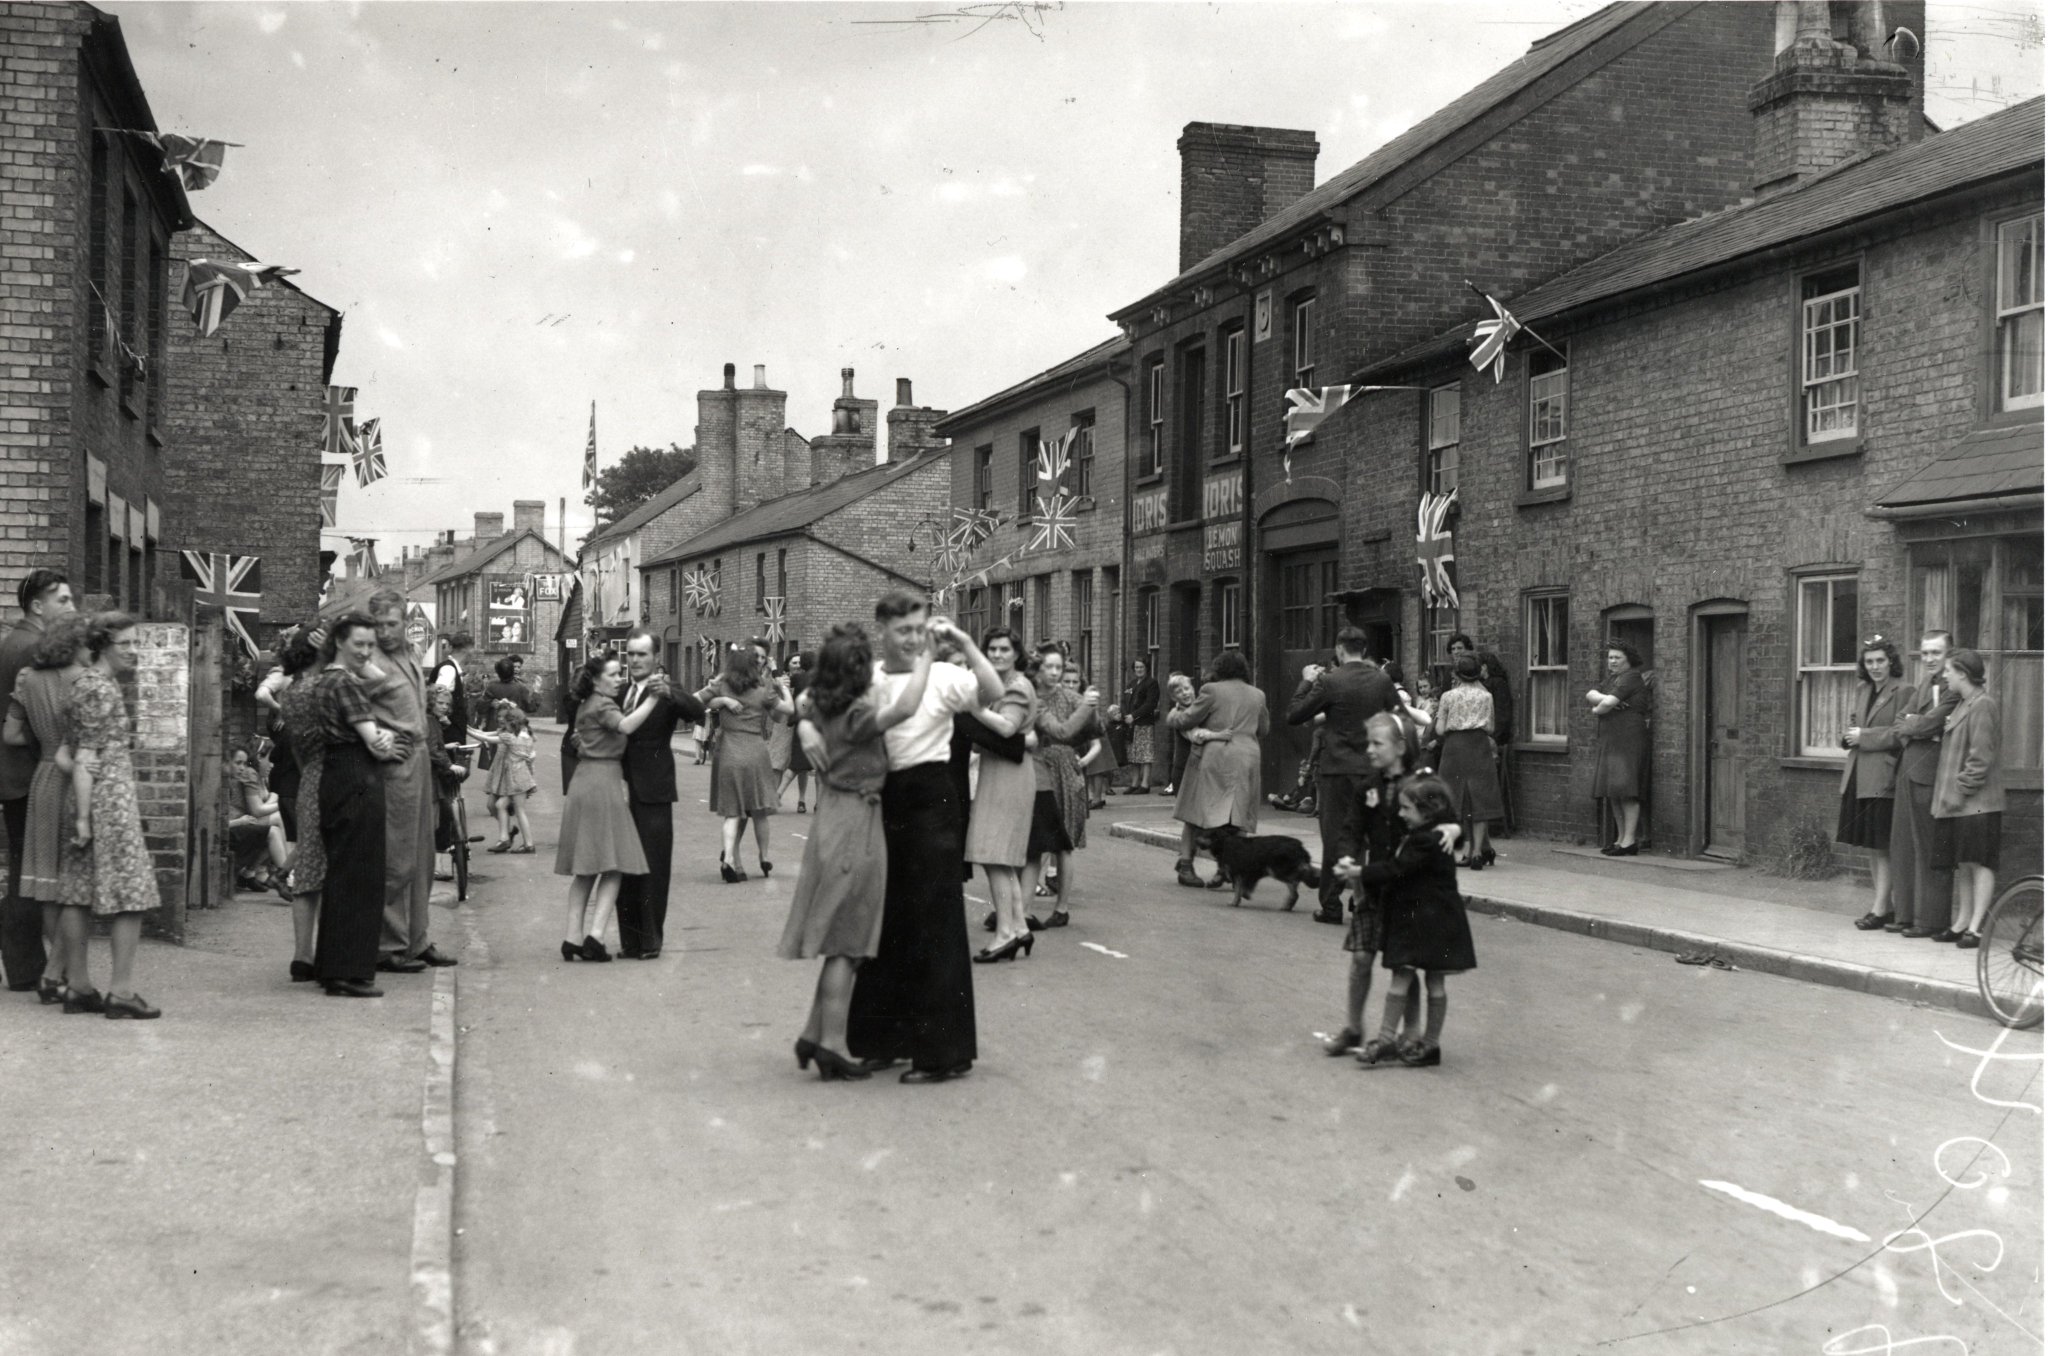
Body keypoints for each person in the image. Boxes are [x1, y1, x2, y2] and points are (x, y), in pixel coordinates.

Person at [845, 593, 1003, 1085]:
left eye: (919, 629)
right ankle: (883, 1041)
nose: (914, 639)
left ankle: (944, 1052)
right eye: (903, 631)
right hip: (882, 796)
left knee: (934, 921)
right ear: (883, 631)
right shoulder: (868, 677)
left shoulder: (944, 675)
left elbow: (993, 690)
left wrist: (964, 642)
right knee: (885, 919)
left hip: (932, 798)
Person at [781, 625, 933, 1081]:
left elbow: (800, 708)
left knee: (839, 938)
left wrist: (805, 723)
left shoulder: (823, 706)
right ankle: (831, 1045)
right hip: (855, 824)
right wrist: (927, 657)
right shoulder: (858, 712)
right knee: (846, 945)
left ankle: (813, 1033)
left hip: (835, 817)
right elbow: (906, 706)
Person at [53, 612, 160, 1018]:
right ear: (103, 646)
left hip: (87, 799)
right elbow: (83, 757)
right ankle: (120, 992)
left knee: (78, 892)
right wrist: (87, 815)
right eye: (125, 644)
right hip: (108, 804)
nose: (133, 651)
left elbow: (67, 754)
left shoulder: (82, 684)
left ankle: (78, 986)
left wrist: (81, 805)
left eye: (136, 643)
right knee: (130, 893)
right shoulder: (101, 689)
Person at [1341, 776, 1475, 1068]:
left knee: (1402, 974)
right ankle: (1429, 1045)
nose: (1401, 814)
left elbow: (1396, 869)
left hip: (1419, 919)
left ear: (1427, 812)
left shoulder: (1425, 840)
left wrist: (1358, 873)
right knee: (1435, 980)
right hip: (1441, 918)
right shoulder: (1432, 833)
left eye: (1406, 809)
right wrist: (1454, 826)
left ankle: (1387, 1039)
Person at [308, 613, 402, 997]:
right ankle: (346, 971)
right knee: (360, 874)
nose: (366, 652)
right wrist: (383, 735)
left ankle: (333, 965)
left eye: (370, 645)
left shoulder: (326, 679)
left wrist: (365, 660)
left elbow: (381, 679)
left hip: (337, 774)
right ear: (338, 643)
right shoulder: (345, 683)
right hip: (356, 775)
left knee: (343, 870)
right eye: (358, 644)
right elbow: (374, 739)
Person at [1323, 713, 1426, 1058]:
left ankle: (1411, 1034)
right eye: (1368, 742)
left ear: (1399, 747)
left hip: (1408, 889)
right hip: (1372, 886)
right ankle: (1353, 1028)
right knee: (1361, 958)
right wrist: (1347, 858)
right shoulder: (1367, 786)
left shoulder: (1420, 785)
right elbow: (1352, 829)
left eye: (1376, 743)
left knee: (1404, 963)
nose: (1368, 750)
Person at [364, 590, 456, 973]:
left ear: (405, 624)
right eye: (379, 624)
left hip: (420, 762)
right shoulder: (369, 660)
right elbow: (355, 708)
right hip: (395, 764)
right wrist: (379, 744)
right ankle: (387, 944)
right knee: (397, 860)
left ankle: (416, 940)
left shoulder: (412, 656)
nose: (385, 632)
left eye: (392, 624)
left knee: (422, 856)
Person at [1287, 626, 1397, 925]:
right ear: (1363, 649)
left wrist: (1306, 682)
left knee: (1335, 837)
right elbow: (1398, 718)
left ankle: (1331, 904)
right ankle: (1364, 901)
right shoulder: (1383, 680)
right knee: (1369, 835)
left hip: (1336, 771)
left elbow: (1295, 714)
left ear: (1339, 649)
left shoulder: (1329, 681)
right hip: (1372, 771)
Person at [5, 613, 89, 1004]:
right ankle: (64, 973)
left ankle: (62, 973)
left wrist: (43, 746)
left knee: (50, 887)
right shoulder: (83, 682)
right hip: (72, 781)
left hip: (40, 780)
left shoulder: (29, 680)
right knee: (73, 883)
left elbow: (11, 733)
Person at [555, 653, 658, 961]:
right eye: (613, 674)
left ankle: (572, 937)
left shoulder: (587, 703)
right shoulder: (603, 704)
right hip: (603, 783)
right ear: (597, 679)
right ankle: (595, 937)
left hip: (583, 781)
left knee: (585, 870)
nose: (618, 679)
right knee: (614, 866)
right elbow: (625, 727)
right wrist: (651, 700)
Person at [0, 567, 72, 991]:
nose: (69, 607)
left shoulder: (15, 641)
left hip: (17, 774)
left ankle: (30, 968)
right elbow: (39, 718)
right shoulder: (34, 648)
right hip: (28, 775)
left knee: (26, 872)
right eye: (61, 600)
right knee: (32, 875)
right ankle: (28, 970)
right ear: (37, 606)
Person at [613, 630, 704, 958]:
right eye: (631, 654)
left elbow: (698, 711)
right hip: (621, 788)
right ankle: (630, 941)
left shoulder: (667, 690)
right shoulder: (621, 691)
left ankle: (651, 940)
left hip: (654, 789)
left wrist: (670, 693)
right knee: (623, 868)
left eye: (642, 655)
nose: (635, 660)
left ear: (655, 658)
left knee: (653, 866)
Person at [1165, 651, 1268, 891]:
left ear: (1219, 669)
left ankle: (1186, 864)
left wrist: (1173, 715)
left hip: (1214, 758)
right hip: (1248, 758)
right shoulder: (1258, 695)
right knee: (1237, 817)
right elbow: (1263, 729)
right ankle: (1230, 870)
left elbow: (1187, 719)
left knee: (1196, 813)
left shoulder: (1211, 690)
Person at [965, 628, 1037, 959]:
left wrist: (974, 710)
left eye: (1004, 649)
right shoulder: (1004, 685)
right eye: (991, 649)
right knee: (999, 859)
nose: (996, 655)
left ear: (1015, 652)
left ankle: (1005, 933)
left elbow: (1007, 727)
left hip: (1009, 776)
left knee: (994, 855)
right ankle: (1018, 927)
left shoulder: (1017, 687)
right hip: (999, 772)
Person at [1884, 631, 1960, 940]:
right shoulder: (1925, 683)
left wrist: (1919, 725)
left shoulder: (1953, 685)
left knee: (1931, 848)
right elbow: (1902, 721)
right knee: (1902, 846)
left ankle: (1931, 920)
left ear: (1948, 654)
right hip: (1908, 770)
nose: (1929, 659)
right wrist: (1918, 727)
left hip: (1932, 774)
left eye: (1936, 653)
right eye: (1925, 652)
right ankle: (1906, 915)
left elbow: (1932, 722)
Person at [695, 645, 793, 882]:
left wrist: (721, 700)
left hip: (729, 749)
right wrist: (784, 690)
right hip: (756, 751)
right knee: (759, 810)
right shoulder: (763, 689)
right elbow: (787, 710)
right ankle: (763, 856)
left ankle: (728, 858)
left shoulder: (722, 684)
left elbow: (694, 700)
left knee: (733, 813)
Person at [1932, 648, 2003, 948]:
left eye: (1948, 670)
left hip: (1978, 802)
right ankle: (1962, 922)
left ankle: (1977, 927)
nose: (1944, 674)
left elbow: (1980, 759)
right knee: (1964, 861)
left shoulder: (1982, 704)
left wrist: (1959, 790)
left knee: (1980, 862)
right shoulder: (1963, 704)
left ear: (1962, 673)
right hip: (1960, 803)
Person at [1838, 636, 1909, 930]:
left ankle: (1880, 909)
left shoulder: (1905, 691)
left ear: (1891, 661)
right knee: (1870, 844)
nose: (1876, 666)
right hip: (1858, 773)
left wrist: (1863, 737)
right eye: (1870, 662)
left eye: (1881, 660)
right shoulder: (1862, 689)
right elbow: (1856, 722)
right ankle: (1884, 905)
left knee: (1882, 845)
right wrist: (1848, 736)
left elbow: (1900, 733)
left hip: (1883, 776)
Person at [1025, 650, 1099, 925]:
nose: (1055, 674)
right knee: (1035, 841)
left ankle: (1062, 908)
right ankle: (1023, 908)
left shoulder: (1072, 698)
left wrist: (1088, 708)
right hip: (1036, 768)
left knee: (1063, 842)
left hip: (1065, 771)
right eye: (1050, 667)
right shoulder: (1030, 694)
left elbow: (1096, 731)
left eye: (1060, 668)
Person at [273, 627, 330, 982]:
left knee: (308, 872)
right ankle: (327, 950)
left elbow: (296, 749)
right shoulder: (322, 689)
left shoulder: (291, 691)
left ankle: (301, 954)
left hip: (308, 778)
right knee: (332, 871)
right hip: (333, 782)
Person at [1432, 653, 1503, 869]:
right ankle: (1477, 853)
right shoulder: (1486, 696)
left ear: (1456, 674)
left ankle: (1469, 850)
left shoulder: (1448, 697)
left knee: (1458, 800)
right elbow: (1490, 728)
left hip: (1454, 749)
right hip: (1479, 747)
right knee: (1479, 799)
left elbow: (1440, 729)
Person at [1445, 633, 1516, 833]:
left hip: (1487, 743)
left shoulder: (1493, 687)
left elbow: (1500, 720)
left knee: (1471, 789)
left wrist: (1492, 741)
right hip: (1480, 742)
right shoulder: (1482, 691)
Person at [1585, 642, 1649, 856]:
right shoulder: (1613, 679)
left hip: (1627, 739)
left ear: (1628, 659)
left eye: (1617, 658)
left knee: (1627, 791)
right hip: (1611, 739)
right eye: (1610, 657)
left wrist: (1601, 706)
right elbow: (1590, 694)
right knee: (1614, 791)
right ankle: (1620, 838)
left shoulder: (1631, 677)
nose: (1612, 661)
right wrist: (1605, 702)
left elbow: (1602, 705)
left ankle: (1629, 840)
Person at [227, 744, 292, 894]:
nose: (273, 765)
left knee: (278, 825)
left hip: (243, 822)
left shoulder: (260, 777)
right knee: (279, 822)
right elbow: (256, 810)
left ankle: (263, 872)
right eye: (271, 760)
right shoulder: (250, 774)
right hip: (238, 824)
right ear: (259, 757)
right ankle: (284, 876)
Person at [477, 704, 539, 855]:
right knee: (500, 805)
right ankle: (508, 838)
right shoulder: (526, 735)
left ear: (513, 723)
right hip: (521, 777)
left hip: (516, 778)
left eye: (506, 722)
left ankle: (528, 844)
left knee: (519, 810)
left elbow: (485, 737)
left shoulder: (511, 737)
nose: (503, 724)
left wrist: (465, 729)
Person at [1118, 658, 1160, 794]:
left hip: (1143, 723)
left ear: (1146, 668)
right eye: (1136, 667)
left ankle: (1145, 784)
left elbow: (1150, 704)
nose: (1139, 670)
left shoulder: (1152, 683)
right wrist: (1125, 716)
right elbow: (1123, 701)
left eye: (1141, 667)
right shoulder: (1131, 684)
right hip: (1130, 725)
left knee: (1145, 754)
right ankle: (1134, 783)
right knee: (1133, 755)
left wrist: (1134, 716)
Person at [778, 651, 814, 812]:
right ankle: (818, 803)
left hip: (802, 726)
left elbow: (782, 685)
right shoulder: (826, 680)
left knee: (795, 765)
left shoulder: (800, 678)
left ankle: (776, 795)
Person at [431, 632, 473, 745]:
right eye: (472, 649)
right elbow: (437, 694)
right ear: (467, 650)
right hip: (449, 733)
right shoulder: (449, 669)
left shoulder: (452, 669)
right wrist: (444, 719)